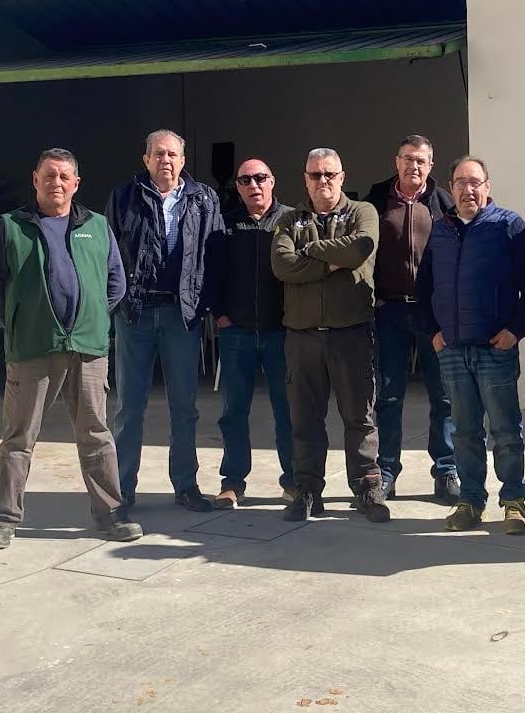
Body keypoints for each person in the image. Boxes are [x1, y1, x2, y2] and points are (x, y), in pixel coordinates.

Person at [0, 148, 140, 550]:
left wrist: (94, 318)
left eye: (64, 176)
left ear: (76, 183)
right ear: (36, 179)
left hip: (87, 350)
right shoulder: (12, 226)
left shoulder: (97, 227)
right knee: (18, 438)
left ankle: (110, 514)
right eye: (49, 175)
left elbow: (115, 281)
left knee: (97, 435)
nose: (57, 183)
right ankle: (3, 520)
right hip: (33, 351)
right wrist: (17, 324)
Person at [417, 156, 525, 534]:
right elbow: (424, 288)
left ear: (487, 186)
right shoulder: (441, 230)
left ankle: (513, 501)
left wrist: (515, 332)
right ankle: (470, 501)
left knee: (505, 429)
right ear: (450, 188)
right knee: (465, 431)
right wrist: (432, 333)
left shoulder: (509, 226)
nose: (467, 190)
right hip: (453, 350)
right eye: (459, 183)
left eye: (474, 182)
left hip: (494, 349)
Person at [107, 130, 224, 512]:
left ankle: (186, 486)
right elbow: (109, 254)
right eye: (158, 154)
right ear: (146, 159)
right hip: (135, 313)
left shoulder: (203, 199)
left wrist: (204, 305)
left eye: (172, 154)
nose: (166, 160)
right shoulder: (125, 195)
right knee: (129, 407)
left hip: (181, 314)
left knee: (184, 406)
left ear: (183, 160)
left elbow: (215, 256)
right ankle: (121, 492)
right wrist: (116, 303)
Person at [270, 147, 387, 523]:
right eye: (316, 175)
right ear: (305, 179)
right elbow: (282, 265)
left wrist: (311, 251)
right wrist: (331, 262)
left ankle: (368, 487)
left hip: (350, 333)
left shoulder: (362, 212)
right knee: (304, 419)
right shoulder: (289, 220)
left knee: (359, 416)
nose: (324, 181)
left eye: (330, 175)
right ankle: (306, 489)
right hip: (302, 336)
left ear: (342, 176)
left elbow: (360, 248)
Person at [365, 135, 459, 504]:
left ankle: (447, 469)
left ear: (430, 165)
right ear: (396, 161)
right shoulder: (375, 200)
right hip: (389, 311)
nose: (413, 167)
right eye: (407, 159)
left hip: (433, 312)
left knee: (444, 395)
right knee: (388, 396)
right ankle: (386, 470)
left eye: (421, 161)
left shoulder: (445, 204)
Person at [211, 158, 296, 508]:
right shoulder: (225, 224)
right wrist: (220, 315)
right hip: (238, 333)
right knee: (233, 411)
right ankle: (232, 482)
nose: (253, 186)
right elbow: (211, 271)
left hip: (282, 334)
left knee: (288, 410)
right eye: (245, 180)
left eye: (260, 178)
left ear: (272, 181)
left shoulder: (292, 220)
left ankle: (293, 480)